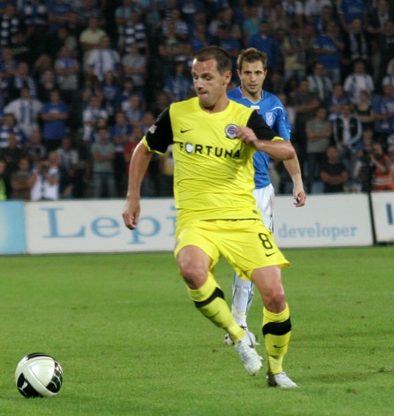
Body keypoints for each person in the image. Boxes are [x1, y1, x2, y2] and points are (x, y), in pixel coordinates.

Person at [122, 47, 299, 389]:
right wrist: (133, 198)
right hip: (197, 221)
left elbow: (287, 150)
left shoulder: (245, 116)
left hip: (243, 220)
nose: (199, 85)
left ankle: (276, 371)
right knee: (190, 268)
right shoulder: (177, 113)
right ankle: (239, 337)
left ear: (225, 79)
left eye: (206, 78)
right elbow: (143, 150)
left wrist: (258, 142)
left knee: (275, 295)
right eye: (195, 78)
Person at [224, 47, 306, 343]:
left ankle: (238, 323)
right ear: (238, 74)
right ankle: (237, 323)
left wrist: (297, 181)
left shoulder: (274, 105)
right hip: (232, 188)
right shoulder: (227, 102)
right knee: (245, 258)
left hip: (262, 191)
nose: (253, 78)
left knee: (257, 260)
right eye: (247, 72)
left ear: (265, 73)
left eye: (258, 72)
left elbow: (285, 147)